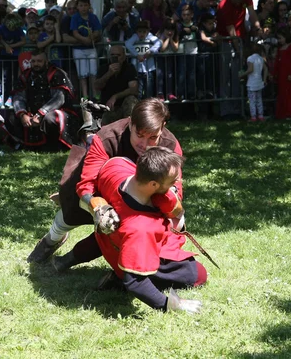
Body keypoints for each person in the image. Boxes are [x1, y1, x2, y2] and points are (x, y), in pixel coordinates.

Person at [27, 99, 184, 267]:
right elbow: (86, 185)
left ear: (163, 126)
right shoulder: (107, 138)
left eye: (153, 137)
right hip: (102, 187)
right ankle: (52, 239)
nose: (145, 144)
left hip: (145, 195)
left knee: (164, 223)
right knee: (71, 209)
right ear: (131, 124)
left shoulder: (171, 146)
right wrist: (98, 206)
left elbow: (175, 192)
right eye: (140, 135)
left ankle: (134, 268)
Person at [83, 147, 206, 312]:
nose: (178, 183)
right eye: (172, 181)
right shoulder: (141, 228)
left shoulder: (117, 168)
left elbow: (107, 167)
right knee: (198, 274)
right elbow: (134, 281)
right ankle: (117, 279)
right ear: (153, 184)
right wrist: (170, 304)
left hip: (110, 243)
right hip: (131, 254)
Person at [7, 49, 79, 150]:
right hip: (31, 112)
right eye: (33, 61)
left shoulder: (57, 74)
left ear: (46, 61)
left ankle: (54, 146)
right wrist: (22, 114)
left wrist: (41, 113)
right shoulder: (25, 76)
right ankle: (23, 145)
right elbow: (18, 97)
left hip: (58, 111)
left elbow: (59, 99)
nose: (36, 64)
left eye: (39, 61)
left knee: (51, 118)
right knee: (12, 116)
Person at [215, 0, 260, 118]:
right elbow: (232, 32)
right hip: (227, 42)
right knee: (225, 77)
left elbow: (252, 13)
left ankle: (238, 107)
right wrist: (240, 51)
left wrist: (257, 28)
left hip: (242, 38)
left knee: (238, 76)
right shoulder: (224, 6)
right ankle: (226, 110)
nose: (240, 4)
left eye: (241, 1)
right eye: (237, 1)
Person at [93, 44, 139, 125]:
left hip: (124, 106)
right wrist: (109, 74)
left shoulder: (129, 68)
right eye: (112, 55)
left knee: (131, 100)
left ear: (124, 56)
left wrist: (115, 96)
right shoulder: (103, 68)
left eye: (118, 55)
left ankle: (130, 128)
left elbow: (134, 89)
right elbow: (97, 86)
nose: (115, 57)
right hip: (109, 107)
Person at [71, 0, 102, 99]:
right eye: (81, 5)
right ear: (77, 6)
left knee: (93, 72)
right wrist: (84, 40)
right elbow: (75, 32)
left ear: (89, 5)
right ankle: (85, 95)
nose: (83, 8)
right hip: (79, 49)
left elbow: (97, 31)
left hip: (91, 48)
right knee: (82, 74)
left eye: (85, 5)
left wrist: (91, 37)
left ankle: (94, 93)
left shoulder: (93, 17)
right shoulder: (75, 17)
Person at [125, 20, 161, 99]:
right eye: (140, 31)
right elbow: (127, 43)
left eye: (144, 31)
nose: (142, 34)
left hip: (149, 68)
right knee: (139, 91)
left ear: (148, 31)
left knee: (149, 90)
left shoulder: (150, 36)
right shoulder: (135, 37)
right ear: (137, 31)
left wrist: (151, 51)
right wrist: (137, 55)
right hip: (137, 68)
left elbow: (158, 42)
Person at [274, 28, 291, 119]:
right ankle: (283, 113)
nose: (279, 40)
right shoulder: (279, 49)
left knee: (290, 93)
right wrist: (274, 73)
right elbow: (277, 62)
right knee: (282, 93)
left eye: (280, 38)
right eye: (278, 39)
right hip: (282, 74)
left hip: (289, 74)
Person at [242, 43, 267, 121]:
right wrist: (264, 79)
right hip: (259, 82)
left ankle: (253, 116)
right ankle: (261, 115)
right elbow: (266, 69)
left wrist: (242, 74)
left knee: (252, 101)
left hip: (251, 83)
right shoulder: (261, 58)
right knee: (259, 99)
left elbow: (250, 69)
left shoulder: (250, 58)